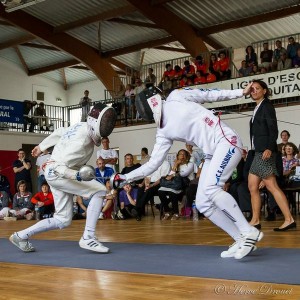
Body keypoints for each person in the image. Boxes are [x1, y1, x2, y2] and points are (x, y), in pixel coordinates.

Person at [113, 83, 263, 260]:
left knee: (212, 189)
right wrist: (125, 177)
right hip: (210, 154)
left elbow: (209, 94)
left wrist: (240, 92)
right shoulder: (162, 132)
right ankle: (240, 239)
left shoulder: (176, 96)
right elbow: (153, 163)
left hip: (226, 141)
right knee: (202, 203)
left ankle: (248, 231)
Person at [9, 102, 117, 253]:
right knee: (99, 191)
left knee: (63, 219)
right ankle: (88, 237)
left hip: (54, 172)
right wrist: (78, 175)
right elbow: (60, 168)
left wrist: (41, 146)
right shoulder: (81, 144)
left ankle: (21, 235)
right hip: (59, 173)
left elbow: (60, 131)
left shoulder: (80, 126)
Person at [247, 80, 296, 232]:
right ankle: (255, 220)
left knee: (271, 185)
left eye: (257, 88)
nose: (253, 91)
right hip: (257, 152)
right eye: (252, 89)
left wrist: (269, 147)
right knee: (252, 186)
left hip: (264, 152)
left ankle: (289, 219)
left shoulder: (266, 106)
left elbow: (273, 129)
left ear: (265, 91)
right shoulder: (257, 108)